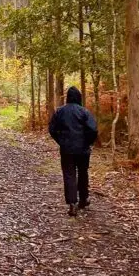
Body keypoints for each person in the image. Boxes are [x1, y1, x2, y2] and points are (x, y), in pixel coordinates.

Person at [48, 86, 98, 217]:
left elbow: (52, 129)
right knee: (83, 173)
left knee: (69, 174)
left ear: (68, 98)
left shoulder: (60, 112)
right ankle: (83, 199)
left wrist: (61, 141)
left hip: (67, 149)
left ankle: (72, 203)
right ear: (79, 97)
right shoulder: (84, 112)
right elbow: (93, 130)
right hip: (83, 150)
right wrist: (88, 142)